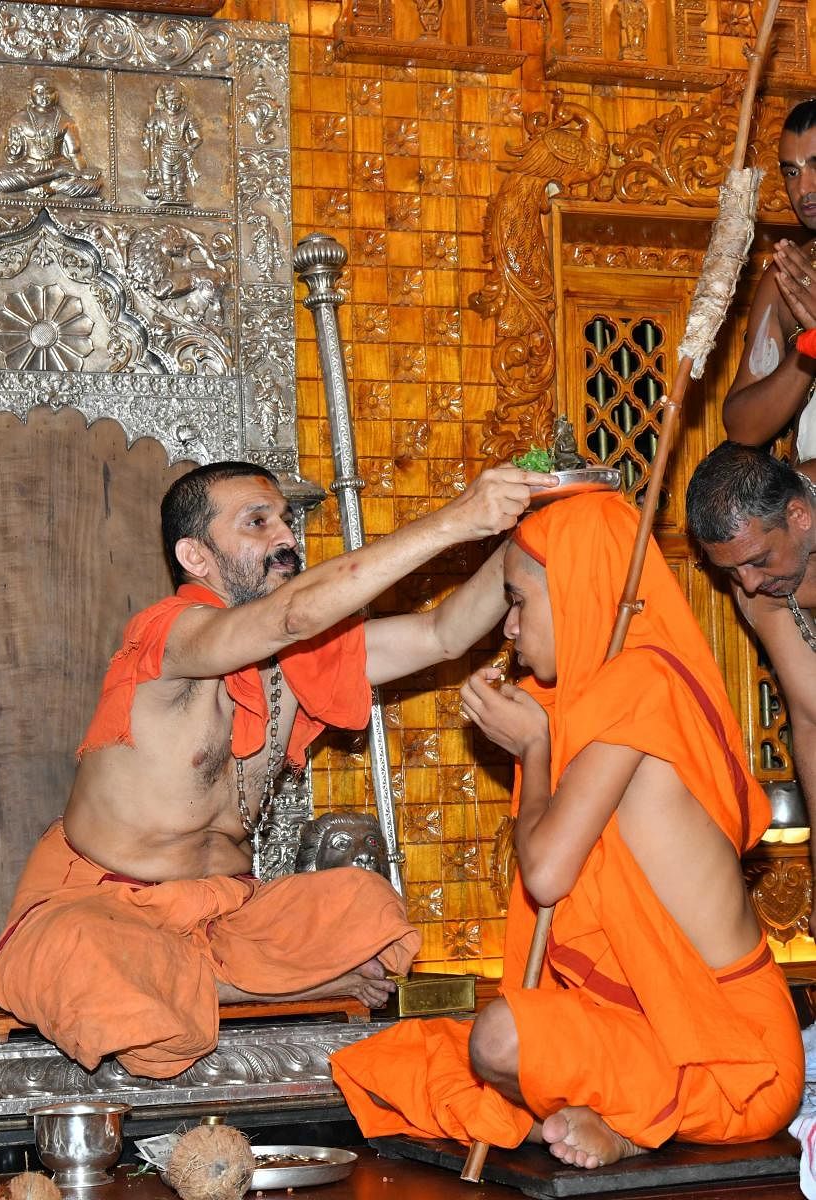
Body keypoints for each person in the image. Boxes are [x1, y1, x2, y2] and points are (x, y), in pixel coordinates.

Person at [0, 459, 553, 1078]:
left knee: (364, 903)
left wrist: (529, 529)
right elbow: (290, 615)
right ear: (195, 557)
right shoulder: (167, 634)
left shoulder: (301, 654)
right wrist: (456, 520)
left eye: (285, 521)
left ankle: (203, 984)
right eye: (257, 522)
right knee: (83, 953)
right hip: (102, 909)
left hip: (229, 915)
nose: (285, 538)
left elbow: (444, 635)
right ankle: (262, 988)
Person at [332, 491, 803, 1169]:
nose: (511, 631)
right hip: (639, 1031)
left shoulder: (639, 682)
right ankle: (595, 1113)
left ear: (583, 591)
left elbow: (548, 875)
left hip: (731, 1056)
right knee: (397, 1059)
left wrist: (533, 751)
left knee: (496, 1042)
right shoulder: (586, 699)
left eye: (519, 602)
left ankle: (630, 1121)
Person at [687, 440, 816, 920]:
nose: (748, 583)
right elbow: (810, 718)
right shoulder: (759, 587)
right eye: (730, 569)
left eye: (759, 560)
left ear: (799, 516)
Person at [723, 99, 816, 455]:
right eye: (791, 172)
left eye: (815, 165)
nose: (804, 187)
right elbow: (743, 426)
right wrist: (809, 347)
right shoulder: (786, 276)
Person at [0, 78, 103, 199]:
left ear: (55, 94)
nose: (44, 96)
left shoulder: (65, 120)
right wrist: (13, 151)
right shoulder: (19, 119)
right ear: (30, 94)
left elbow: (75, 153)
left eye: (49, 92)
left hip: (59, 163)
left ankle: (39, 186)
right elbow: (12, 158)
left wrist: (82, 173)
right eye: (39, 92)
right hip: (31, 166)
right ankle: (53, 180)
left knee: (95, 185)